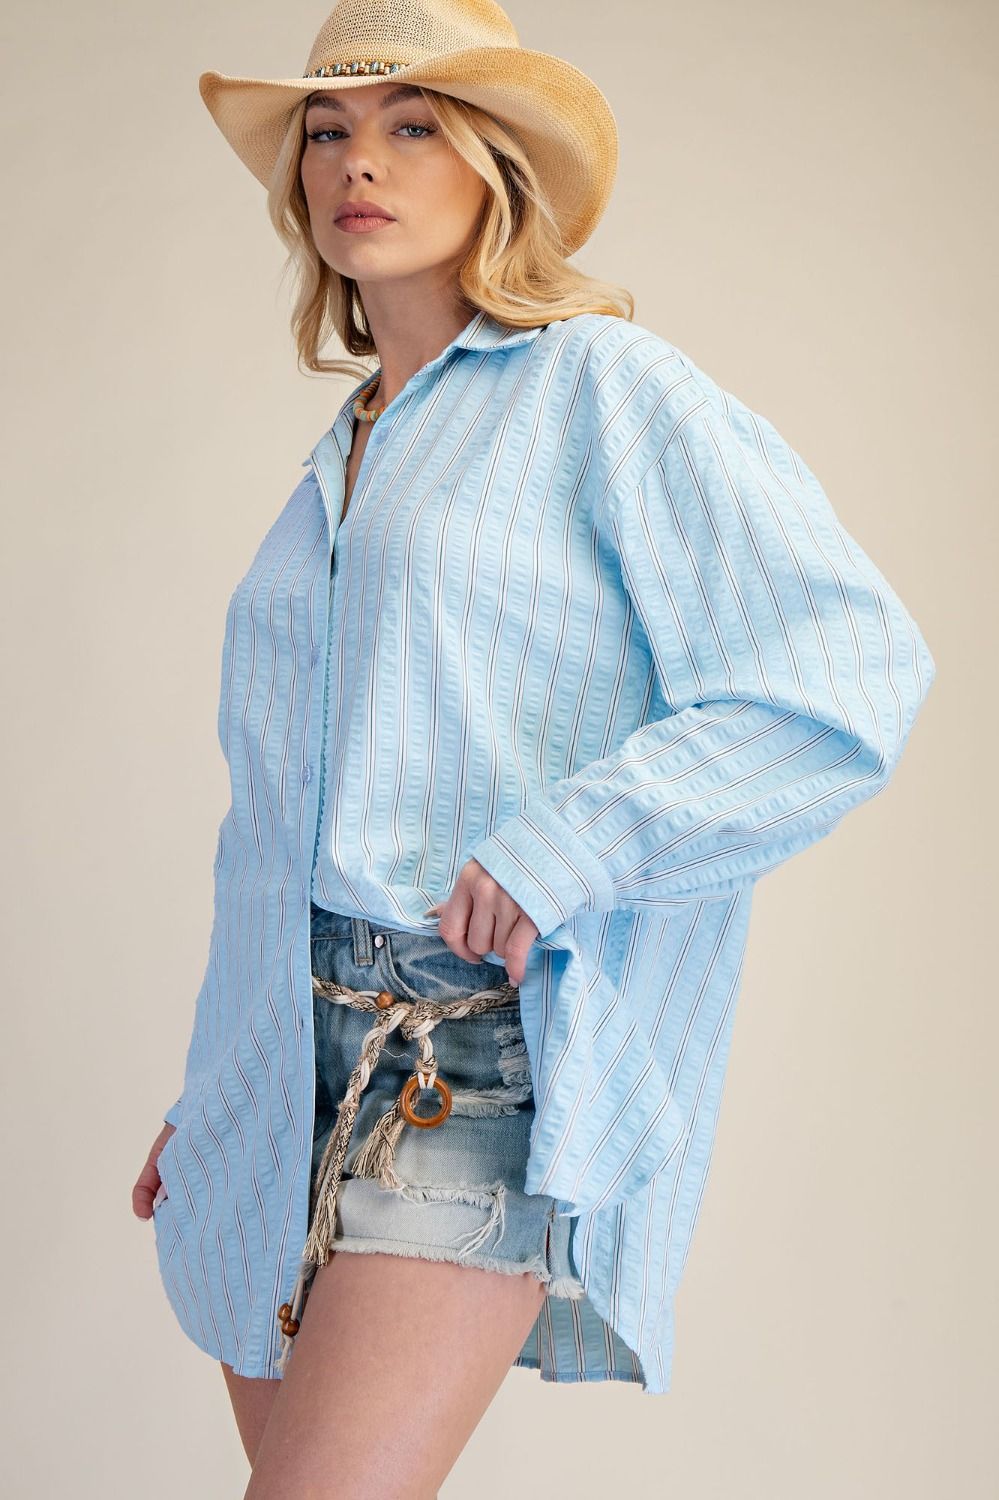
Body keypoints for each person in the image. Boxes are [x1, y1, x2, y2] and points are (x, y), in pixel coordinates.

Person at [130, 1, 937, 1494]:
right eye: (327, 131)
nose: (356, 163)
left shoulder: (603, 392)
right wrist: (220, 1073)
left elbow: (847, 672)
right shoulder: (344, 453)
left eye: (412, 125)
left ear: (497, 168)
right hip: (272, 1068)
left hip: (454, 1054)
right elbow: (279, 819)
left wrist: (576, 839)